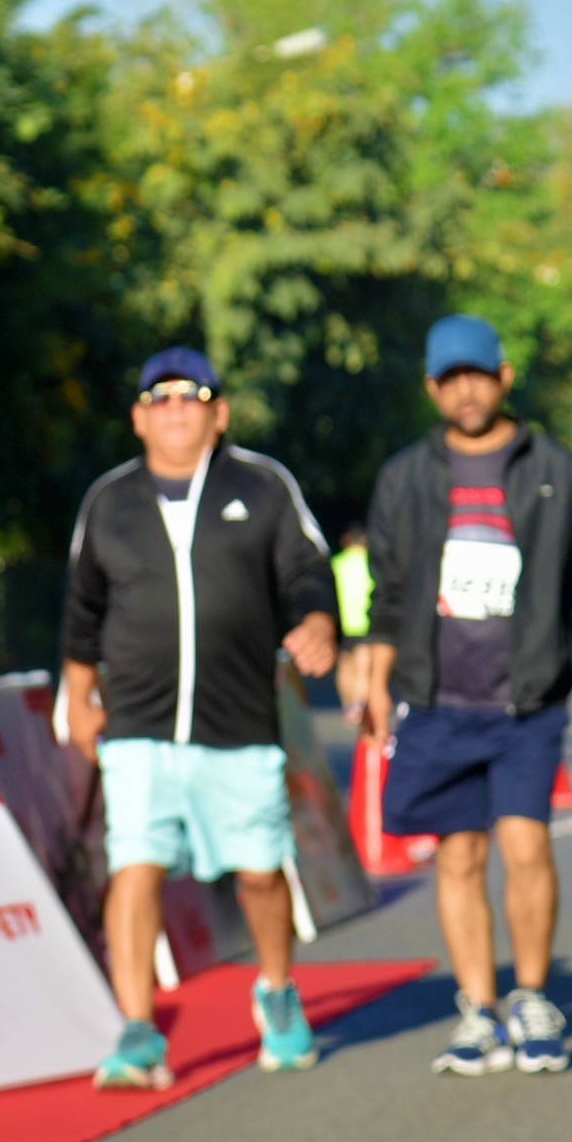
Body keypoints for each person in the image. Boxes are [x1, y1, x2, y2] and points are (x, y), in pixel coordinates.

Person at [60, 347, 340, 1090]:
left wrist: (317, 620)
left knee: (260, 873)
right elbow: (82, 609)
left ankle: (276, 992)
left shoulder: (262, 486)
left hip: (238, 722)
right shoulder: (109, 502)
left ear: (219, 414)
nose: (176, 409)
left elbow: (307, 570)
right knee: (134, 866)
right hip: (137, 725)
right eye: (161, 398)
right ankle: (138, 1029)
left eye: (193, 396)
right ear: (138, 417)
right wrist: (78, 695)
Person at [363, 315, 572, 1076]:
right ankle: (478, 1009)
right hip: (438, 699)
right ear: (430, 389)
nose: (466, 391)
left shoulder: (553, 469)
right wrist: (374, 681)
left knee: (525, 843)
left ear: (504, 377)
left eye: (477, 375)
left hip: (526, 700)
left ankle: (531, 998)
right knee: (459, 854)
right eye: (450, 380)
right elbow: (388, 592)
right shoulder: (406, 477)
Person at [332, 524, 375, 732]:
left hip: (343, 621)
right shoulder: (372, 563)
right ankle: (358, 707)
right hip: (365, 620)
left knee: (345, 664)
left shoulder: (337, 563)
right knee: (363, 666)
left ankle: (347, 704)